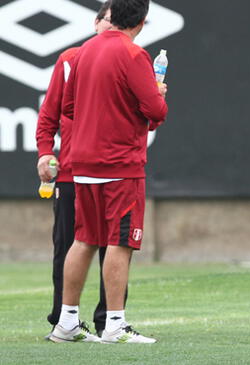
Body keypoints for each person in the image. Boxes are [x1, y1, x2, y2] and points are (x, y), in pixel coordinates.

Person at [49, 0, 168, 344]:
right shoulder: (134, 55)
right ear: (143, 21)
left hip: (82, 163)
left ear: (111, 16)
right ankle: (115, 325)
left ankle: (67, 322)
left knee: (84, 239)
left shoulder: (84, 51)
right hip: (119, 163)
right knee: (119, 241)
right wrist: (159, 94)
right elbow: (155, 110)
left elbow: (69, 106)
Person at [35, 1, 129, 340]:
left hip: (113, 171)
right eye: (107, 19)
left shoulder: (131, 60)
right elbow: (49, 116)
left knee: (115, 245)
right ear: (95, 23)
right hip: (72, 173)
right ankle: (64, 319)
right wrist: (45, 153)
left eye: (117, 20)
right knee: (68, 245)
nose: (111, 26)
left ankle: (109, 321)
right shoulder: (70, 61)